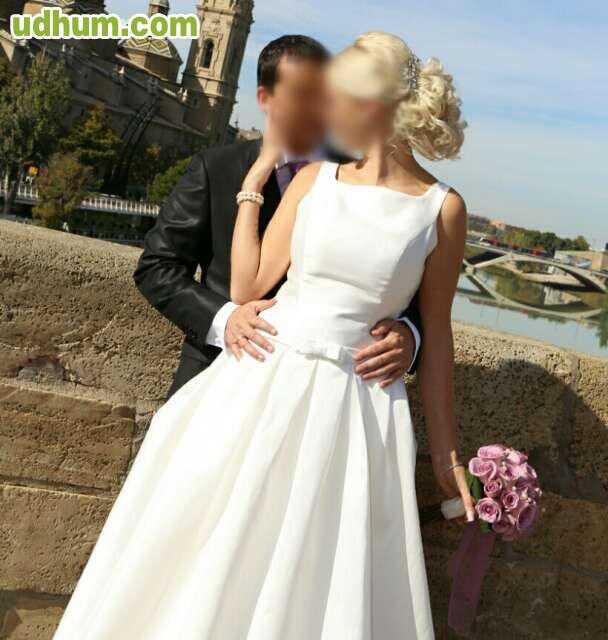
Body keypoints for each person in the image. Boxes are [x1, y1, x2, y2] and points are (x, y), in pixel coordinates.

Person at [54, 31, 474, 640]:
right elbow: (248, 285)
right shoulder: (315, 180)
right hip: (260, 382)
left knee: (316, 579)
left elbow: (437, 332)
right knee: (208, 553)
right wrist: (256, 177)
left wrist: (447, 456)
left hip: (355, 411)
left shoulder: (442, 209)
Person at [134, 35, 422, 399]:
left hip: (315, 391)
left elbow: (405, 279)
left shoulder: (360, 178)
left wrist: (410, 335)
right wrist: (224, 318)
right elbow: (157, 268)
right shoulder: (215, 168)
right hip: (215, 371)